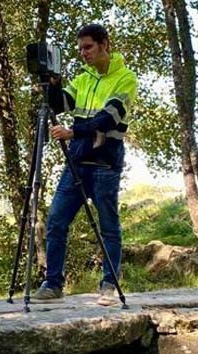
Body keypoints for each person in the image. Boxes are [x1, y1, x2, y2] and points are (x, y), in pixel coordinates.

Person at [31, 24, 138, 306]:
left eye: (88, 47)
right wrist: (51, 85)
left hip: (105, 164)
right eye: (79, 48)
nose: (83, 53)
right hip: (77, 163)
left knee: (108, 227)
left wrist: (72, 133)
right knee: (56, 221)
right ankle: (53, 284)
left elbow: (109, 118)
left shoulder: (125, 78)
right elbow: (60, 104)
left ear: (104, 44)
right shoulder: (83, 79)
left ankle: (108, 285)